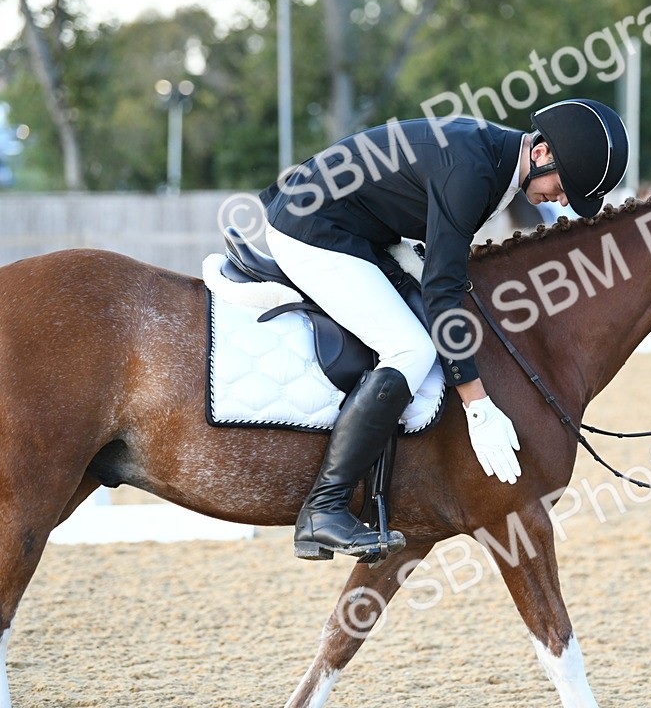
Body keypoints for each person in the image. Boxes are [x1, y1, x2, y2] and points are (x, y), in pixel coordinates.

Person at [259, 99, 630, 561]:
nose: (563, 199)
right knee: (411, 350)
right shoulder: (473, 173)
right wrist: (477, 405)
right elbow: (441, 292)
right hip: (313, 228)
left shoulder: (494, 159)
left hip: (360, 224)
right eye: (563, 185)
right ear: (540, 153)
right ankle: (325, 508)